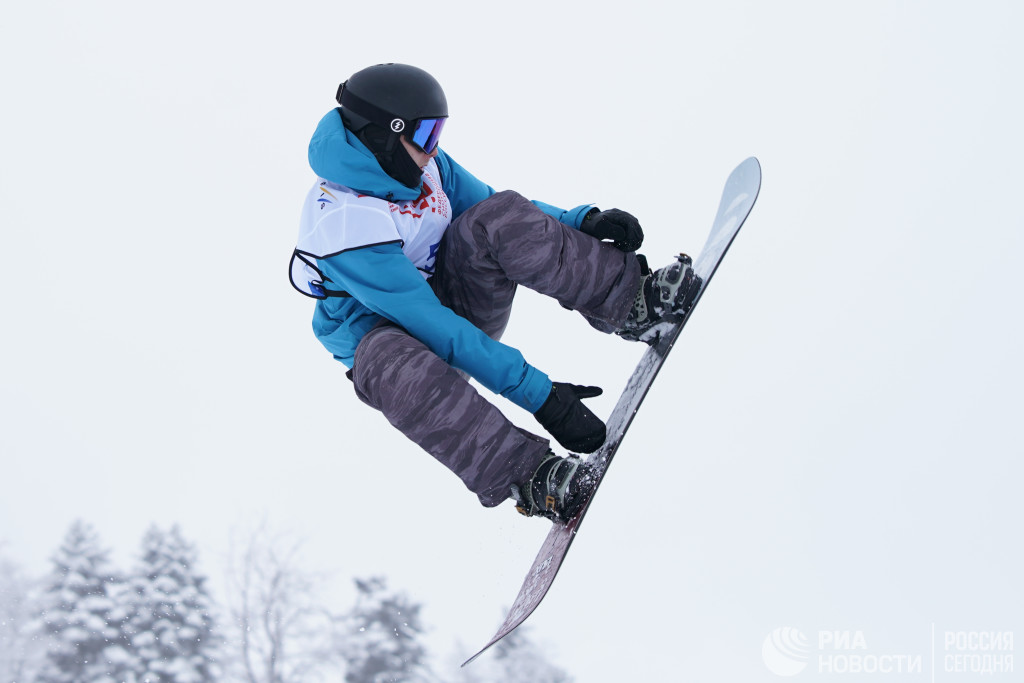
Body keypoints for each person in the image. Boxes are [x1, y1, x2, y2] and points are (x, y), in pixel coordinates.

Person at [289, 64, 701, 522]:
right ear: (385, 136)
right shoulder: (346, 224)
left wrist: (582, 219)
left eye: (438, 132)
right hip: (408, 350)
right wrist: (542, 397)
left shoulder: (420, 167)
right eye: (425, 135)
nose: (435, 147)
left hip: (455, 304)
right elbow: (434, 327)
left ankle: (633, 303)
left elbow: (495, 206)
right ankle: (530, 475)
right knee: (386, 360)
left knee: (492, 217)